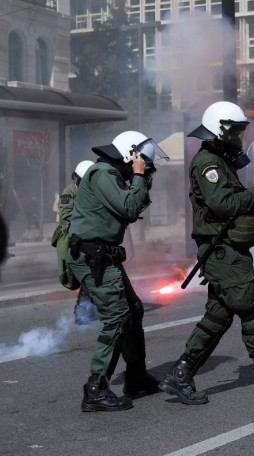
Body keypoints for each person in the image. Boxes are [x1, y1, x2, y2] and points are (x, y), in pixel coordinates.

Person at [159, 101, 254, 404]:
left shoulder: (220, 160)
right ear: (220, 131)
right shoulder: (208, 164)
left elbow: (233, 200)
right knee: (253, 310)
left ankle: (180, 375)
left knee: (219, 315)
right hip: (222, 251)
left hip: (228, 249)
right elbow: (223, 205)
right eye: (236, 132)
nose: (240, 138)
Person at [67, 131, 169, 412]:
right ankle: (96, 389)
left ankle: (135, 376)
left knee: (133, 310)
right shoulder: (102, 173)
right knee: (117, 319)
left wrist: (141, 181)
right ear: (130, 155)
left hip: (103, 254)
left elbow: (132, 209)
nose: (145, 165)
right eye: (142, 160)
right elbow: (128, 207)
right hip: (92, 256)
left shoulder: (112, 175)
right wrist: (138, 177)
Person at [58, 160, 99, 325]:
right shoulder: (70, 191)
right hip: (77, 238)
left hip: (93, 236)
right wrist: (84, 218)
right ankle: (81, 311)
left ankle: (87, 309)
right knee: (86, 276)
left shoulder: (93, 189)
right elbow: (65, 212)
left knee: (93, 275)